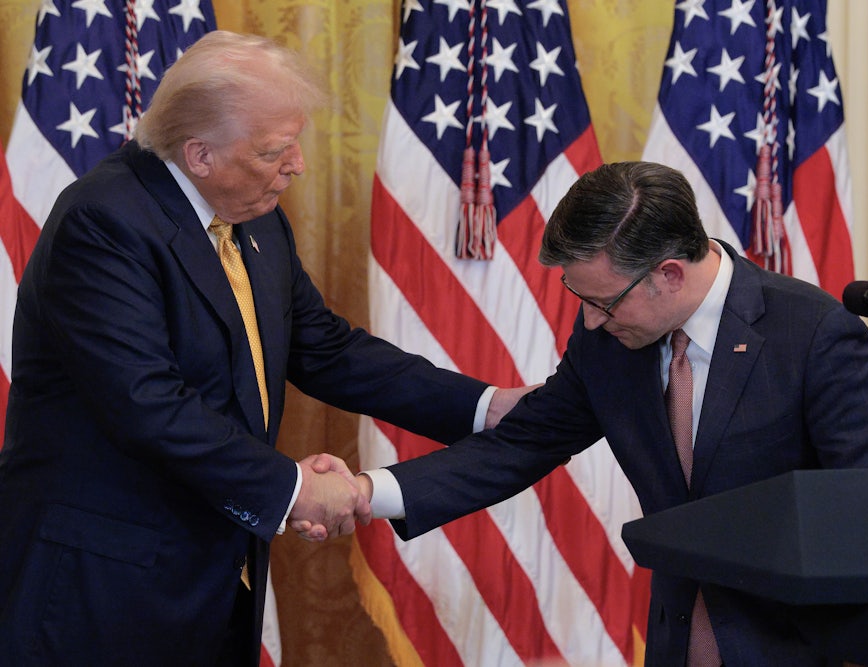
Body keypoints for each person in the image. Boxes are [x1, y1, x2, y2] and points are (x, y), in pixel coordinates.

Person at [0, 31, 527, 666]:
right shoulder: (103, 222)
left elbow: (324, 348)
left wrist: (483, 406)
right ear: (199, 155)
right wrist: (294, 488)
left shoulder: (252, 215)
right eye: (275, 149)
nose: (298, 164)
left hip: (216, 573)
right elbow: (147, 405)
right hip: (104, 587)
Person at [336, 162, 868, 665]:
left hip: (799, 649)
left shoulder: (813, 334)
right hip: (675, 643)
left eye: (604, 302)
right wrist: (366, 491)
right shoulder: (610, 341)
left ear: (670, 274)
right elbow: (520, 444)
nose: (588, 322)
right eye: (578, 297)